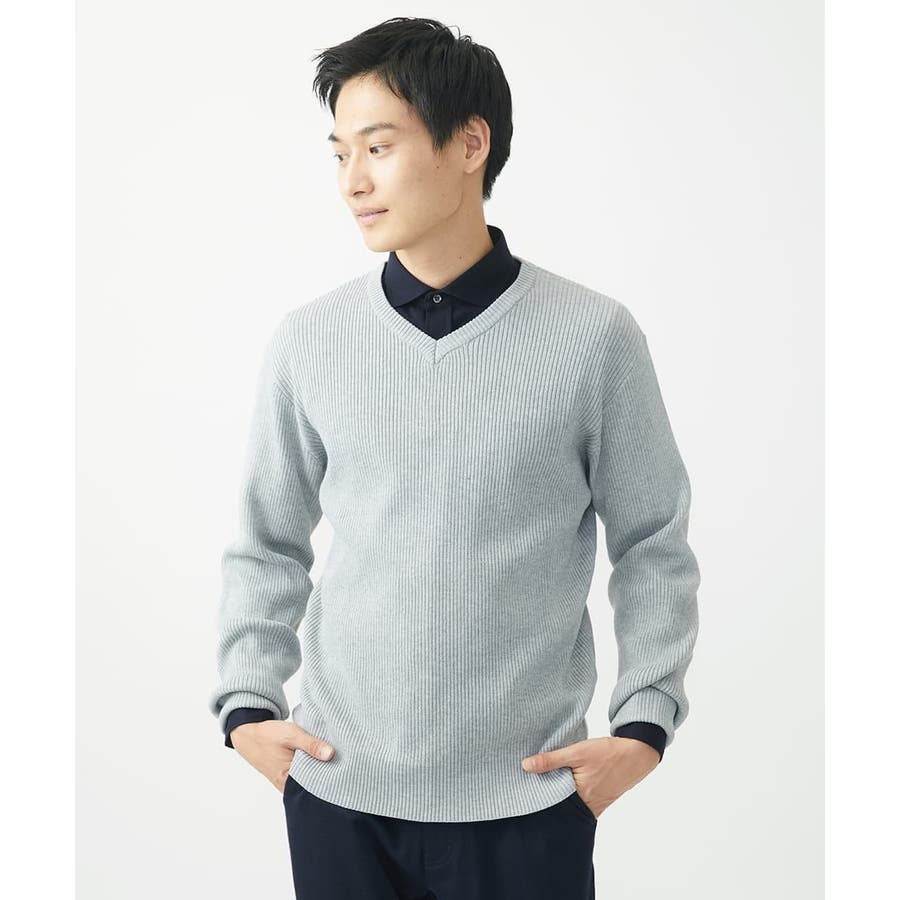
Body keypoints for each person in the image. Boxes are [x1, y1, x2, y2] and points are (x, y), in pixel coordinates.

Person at [208, 16, 701, 900]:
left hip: (531, 801)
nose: (353, 181)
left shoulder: (593, 338)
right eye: (340, 154)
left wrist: (644, 724)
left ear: (470, 144)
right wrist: (247, 705)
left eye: (378, 147)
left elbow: (653, 541)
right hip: (340, 795)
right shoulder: (310, 341)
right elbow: (266, 539)